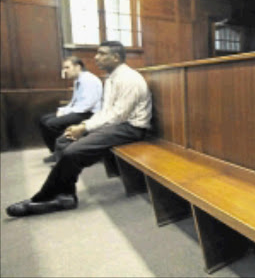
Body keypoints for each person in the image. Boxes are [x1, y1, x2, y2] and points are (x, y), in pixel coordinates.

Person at [6, 41, 152, 217]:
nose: (96, 57)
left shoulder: (129, 78)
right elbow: (106, 112)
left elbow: (118, 115)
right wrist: (83, 126)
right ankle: (65, 193)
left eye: (101, 53)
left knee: (72, 151)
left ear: (115, 57)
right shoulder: (112, 78)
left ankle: (48, 197)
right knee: (63, 141)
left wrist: (84, 126)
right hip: (116, 125)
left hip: (131, 128)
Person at [39, 56, 102, 163]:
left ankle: (63, 155)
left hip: (89, 113)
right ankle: (56, 152)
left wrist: (65, 112)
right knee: (43, 119)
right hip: (80, 111)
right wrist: (63, 110)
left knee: (51, 124)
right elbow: (74, 101)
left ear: (77, 67)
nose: (65, 71)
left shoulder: (89, 80)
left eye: (67, 67)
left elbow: (87, 105)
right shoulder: (78, 80)